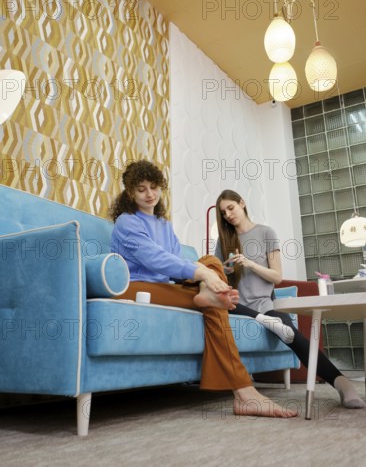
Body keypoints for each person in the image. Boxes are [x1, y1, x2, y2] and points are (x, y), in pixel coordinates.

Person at [109, 160, 297, 418]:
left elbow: (179, 263)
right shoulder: (126, 222)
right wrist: (201, 274)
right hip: (136, 287)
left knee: (211, 262)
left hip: (167, 288)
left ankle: (207, 298)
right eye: (141, 189)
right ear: (130, 192)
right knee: (209, 278)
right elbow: (154, 258)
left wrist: (205, 270)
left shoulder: (164, 226)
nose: (149, 194)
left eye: (154, 187)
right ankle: (245, 393)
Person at [215, 189, 365, 410]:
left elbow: (276, 277)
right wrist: (224, 269)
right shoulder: (224, 240)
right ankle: (264, 320)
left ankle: (343, 384)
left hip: (265, 306)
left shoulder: (266, 232)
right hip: (237, 307)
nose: (228, 215)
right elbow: (218, 278)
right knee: (228, 306)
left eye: (231, 208)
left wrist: (249, 263)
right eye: (223, 212)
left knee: (294, 336)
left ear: (242, 203)